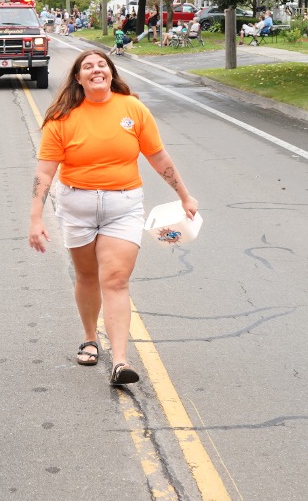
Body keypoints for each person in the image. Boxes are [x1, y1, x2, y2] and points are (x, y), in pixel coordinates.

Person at [28, 49, 197, 386]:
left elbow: (157, 156)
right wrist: (35, 218)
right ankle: (90, 338)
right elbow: (45, 173)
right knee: (87, 276)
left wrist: (184, 195)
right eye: (88, 67)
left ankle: (120, 361)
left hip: (124, 205)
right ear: (78, 78)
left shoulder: (132, 109)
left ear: (110, 73)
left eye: (101, 65)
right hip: (77, 205)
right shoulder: (62, 117)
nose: (96, 70)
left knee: (116, 279)